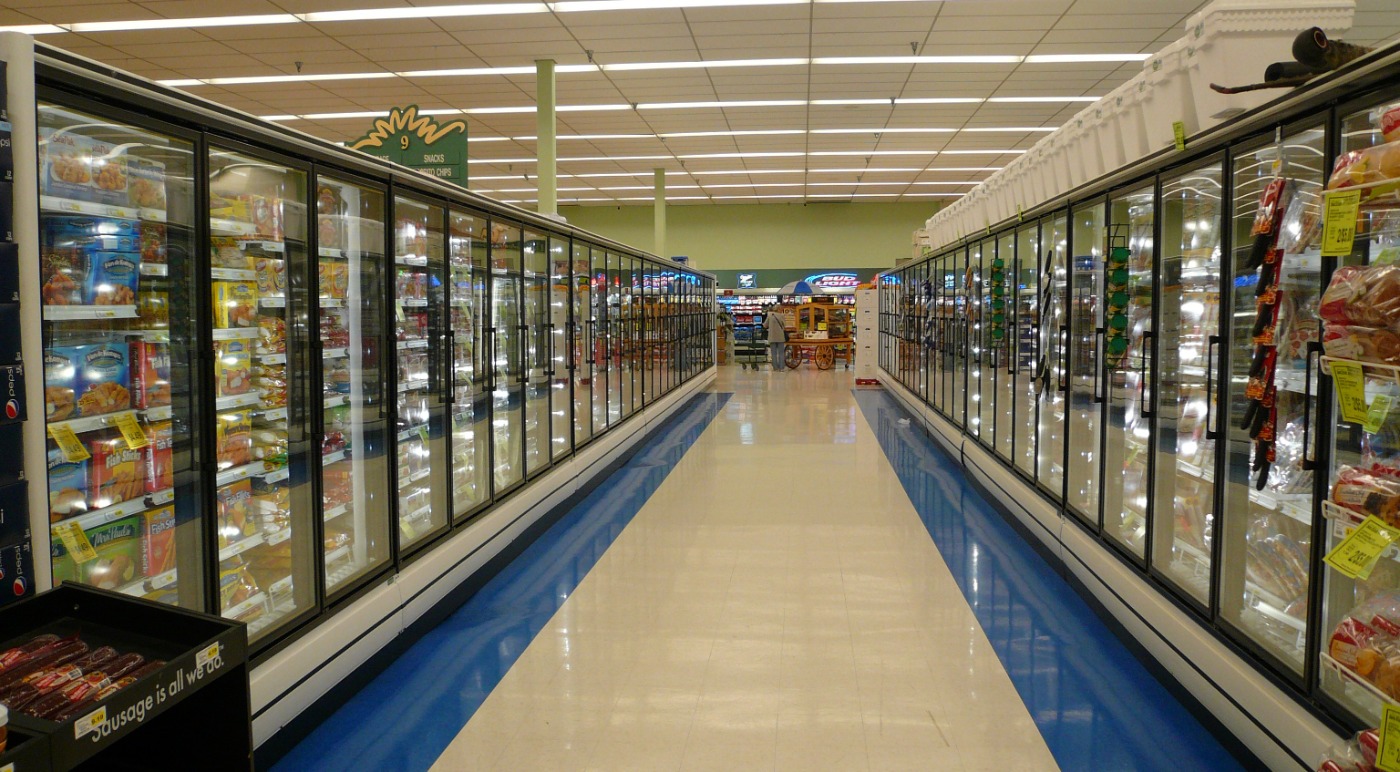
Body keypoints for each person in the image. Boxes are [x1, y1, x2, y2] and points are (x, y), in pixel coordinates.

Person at [765, 304, 788, 371]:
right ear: (778, 309)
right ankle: (781, 367)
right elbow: (784, 325)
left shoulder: (770, 315)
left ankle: (775, 367)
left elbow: (765, 325)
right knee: (781, 353)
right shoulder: (781, 316)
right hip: (780, 336)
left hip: (772, 336)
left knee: (773, 353)